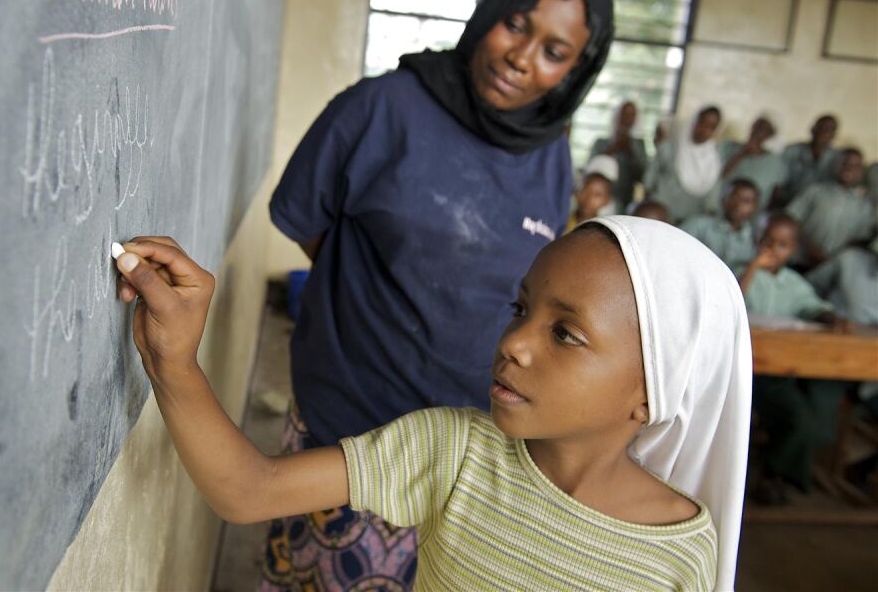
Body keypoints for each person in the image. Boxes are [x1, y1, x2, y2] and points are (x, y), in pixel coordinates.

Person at [111, 216, 752, 591]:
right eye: (521, 310)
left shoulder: (677, 551)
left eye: (565, 333)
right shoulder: (455, 452)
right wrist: (174, 361)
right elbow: (249, 490)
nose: (515, 344)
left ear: (650, 394)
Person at [264, 0, 615, 588]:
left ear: (573, 73)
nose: (522, 56)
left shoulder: (549, 154)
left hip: (471, 450)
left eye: (554, 52)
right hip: (352, 426)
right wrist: (383, 295)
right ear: (487, 14)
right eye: (516, 24)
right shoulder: (380, 109)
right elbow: (308, 225)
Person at [736, 214, 847, 503]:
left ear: (793, 250)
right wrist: (752, 268)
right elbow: (730, 300)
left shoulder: (794, 283)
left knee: (805, 421)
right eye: (767, 241)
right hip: (738, 374)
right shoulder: (737, 271)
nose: (772, 250)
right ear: (756, 240)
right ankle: (751, 479)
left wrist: (830, 316)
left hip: (775, 376)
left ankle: (775, 475)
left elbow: (814, 307)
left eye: (782, 245)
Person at [786, 147, 875, 269]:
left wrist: (835, 257)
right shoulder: (815, 191)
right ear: (835, 165)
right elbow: (790, 220)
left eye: (855, 166)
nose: (848, 168)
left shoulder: (864, 206)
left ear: (861, 171)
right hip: (800, 261)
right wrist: (809, 247)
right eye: (844, 163)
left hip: (832, 268)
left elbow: (860, 240)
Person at [643, 106, 724, 225]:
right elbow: (649, 180)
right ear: (693, 121)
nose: (704, 130)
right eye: (701, 122)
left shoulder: (714, 164)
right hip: (657, 218)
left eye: (711, 127)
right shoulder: (671, 148)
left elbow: (711, 204)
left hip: (687, 226)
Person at [680, 179, 759, 270]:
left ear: (754, 207)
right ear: (723, 199)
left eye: (746, 201)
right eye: (733, 197)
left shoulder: (754, 240)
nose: (738, 205)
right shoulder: (699, 225)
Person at [718, 115, 787, 210]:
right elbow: (720, 175)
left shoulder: (775, 163)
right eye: (757, 126)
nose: (757, 131)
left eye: (764, 129)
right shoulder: (731, 147)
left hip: (754, 215)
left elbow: (776, 193)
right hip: (723, 206)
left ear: (771, 134)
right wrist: (742, 153)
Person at [589, 100, 646, 210]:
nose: (627, 118)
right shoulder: (600, 142)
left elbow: (643, 176)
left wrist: (630, 151)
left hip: (625, 201)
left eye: (631, 115)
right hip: (598, 198)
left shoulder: (639, 145)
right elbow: (591, 170)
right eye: (624, 113)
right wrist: (613, 149)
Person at [776, 114, 839, 206]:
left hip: (818, 207)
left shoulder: (838, 158)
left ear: (834, 135)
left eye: (829, 130)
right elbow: (778, 181)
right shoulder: (792, 151)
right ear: (812, 129)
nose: (824, 132)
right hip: (787, 202)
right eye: (821, 128)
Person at [567, 155, 617, 231]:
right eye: (585, 190)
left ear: (607, 200)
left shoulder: (604, 232)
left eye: (597, 195)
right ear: (576, 192)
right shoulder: (562, 221)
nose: (589, 198)